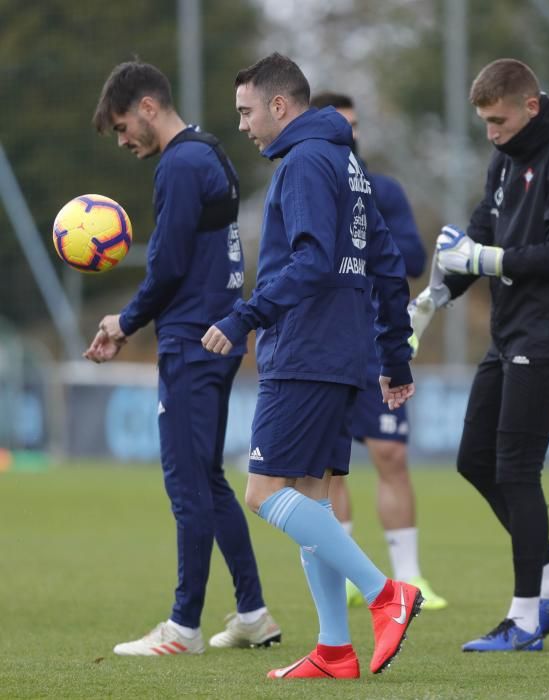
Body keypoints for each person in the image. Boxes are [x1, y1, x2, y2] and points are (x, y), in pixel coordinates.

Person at [202, 53, 423, 680]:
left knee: (263, 492)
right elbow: (385, 262)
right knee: (311, 500)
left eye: (246, 110)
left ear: (279, 105)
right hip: (343, 353)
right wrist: (395, 354)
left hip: (304, 349)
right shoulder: (348, 164)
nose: (242, 124)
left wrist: (246, 316)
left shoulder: (302, 163)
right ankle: (333, 650)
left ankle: (387, 595)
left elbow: (311, 262)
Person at [410, 58, 549, 652]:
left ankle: (526, 620)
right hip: (511, 332)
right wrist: (427, 302)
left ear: (529, 105)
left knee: (517, 470)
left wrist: (485, 260)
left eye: (498, 121)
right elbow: (478, 237)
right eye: (484, 124)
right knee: (475, 459)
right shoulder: (506, 154)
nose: (491, 133)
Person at [84, 60, 280, 656]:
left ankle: (183, 627)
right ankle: (252, 614)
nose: (123, 142)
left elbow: (167, 265)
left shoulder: (180, 163)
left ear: (148, 107)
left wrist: (124, 322)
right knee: (208, 479)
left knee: (186, 482)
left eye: (123, 127)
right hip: (213, 334)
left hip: (192, 340)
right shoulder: (209, 151)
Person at [309, 92, 447, 611]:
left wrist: (361, 233)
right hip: (324, 345)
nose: (351, 134)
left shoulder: (381, 190)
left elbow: (410, 258)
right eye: (341, 125)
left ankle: (410, 578)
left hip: (373, 345)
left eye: (356, 125)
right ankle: (346, 571)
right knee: (329, 465)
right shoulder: (308, 184)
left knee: (390, 454)